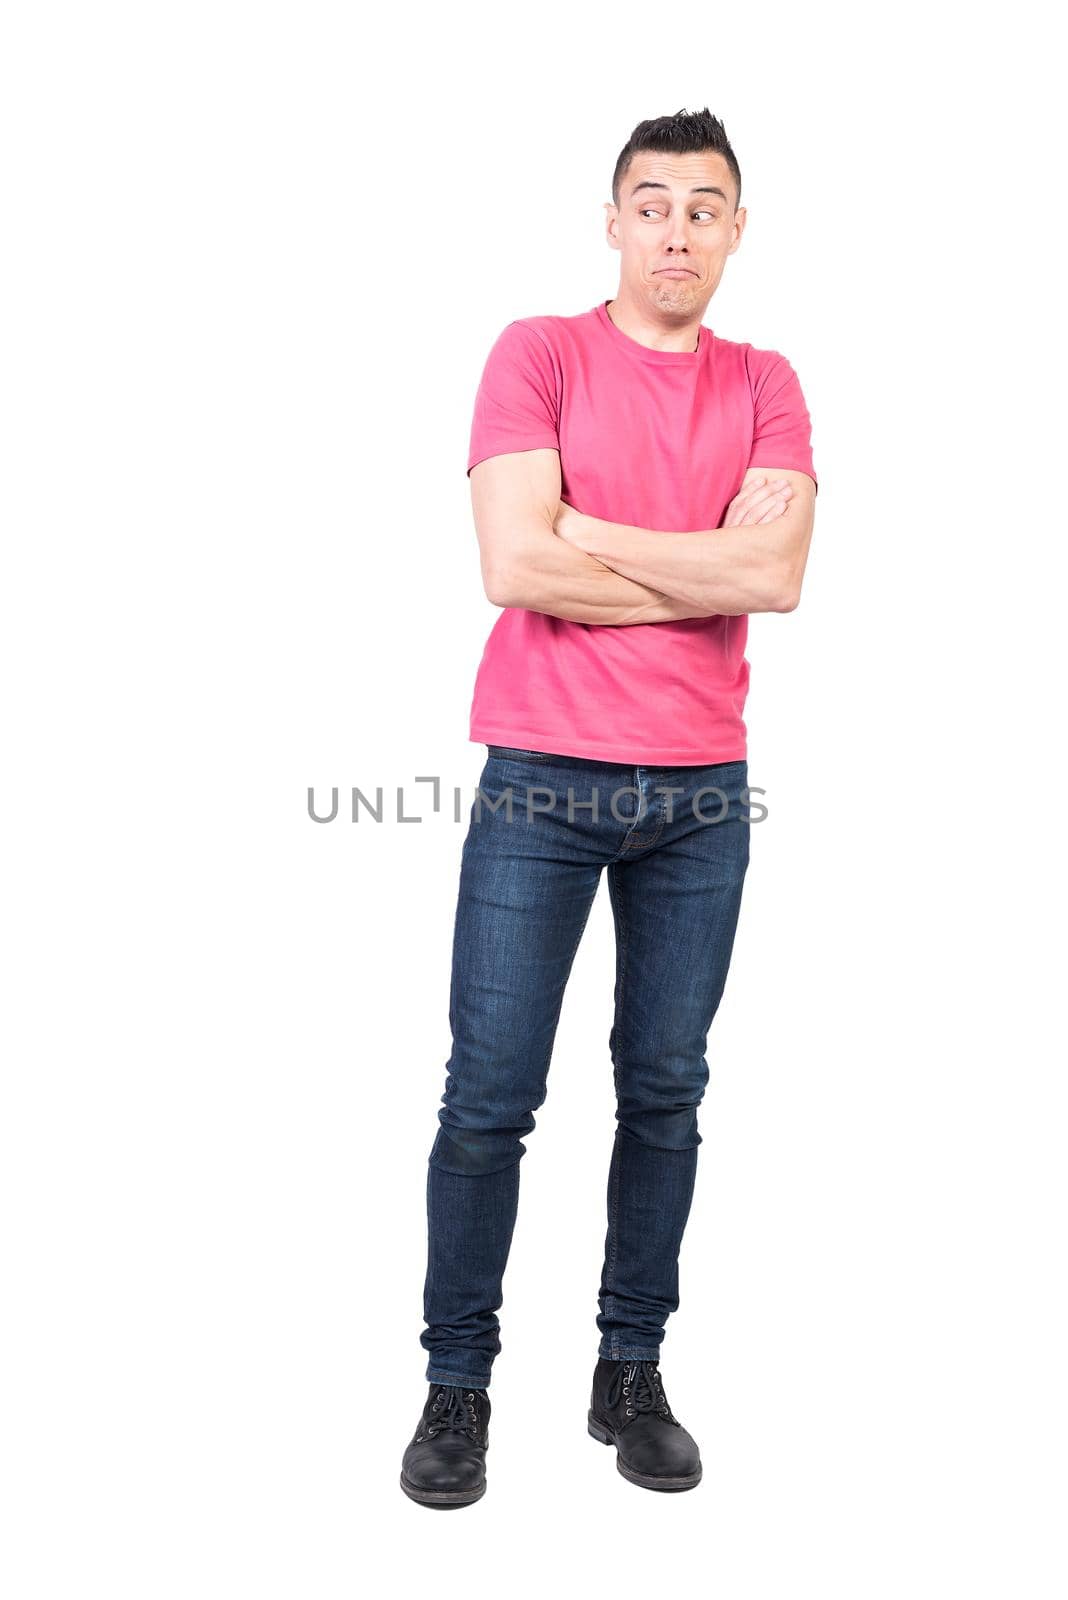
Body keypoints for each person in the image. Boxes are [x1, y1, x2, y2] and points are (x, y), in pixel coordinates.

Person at [400, 107, 818, 1507]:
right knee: (488, 1096)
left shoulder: (767, 380)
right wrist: (689, 561)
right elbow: (514, 565)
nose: (678, 230)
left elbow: (774, 581)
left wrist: (595, 532)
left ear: (737, 231)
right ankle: (456, 1386)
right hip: (542, 773)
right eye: (654, 205)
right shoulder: (540, 353)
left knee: (667, 1091)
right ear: (613, 221)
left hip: (699, 793)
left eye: (706, 207)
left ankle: (627, 1370)